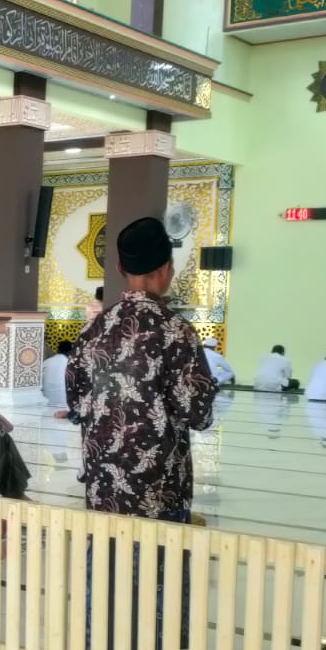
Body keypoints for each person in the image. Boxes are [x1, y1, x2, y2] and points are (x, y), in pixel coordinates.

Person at [66, 216, 217, 521]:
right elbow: (199, 415)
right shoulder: (176, 331)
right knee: (161, 567)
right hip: (161, 492)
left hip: (103, 488)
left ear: (120, 269)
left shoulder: (93, 330)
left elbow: (76, 405)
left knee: (105, 565)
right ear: (166, 268)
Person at [40, 340, 72, 417]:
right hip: (64, 404)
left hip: (46, 402)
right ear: (71, 352)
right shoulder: (70, 363)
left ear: (58, 350)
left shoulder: (46, 362)